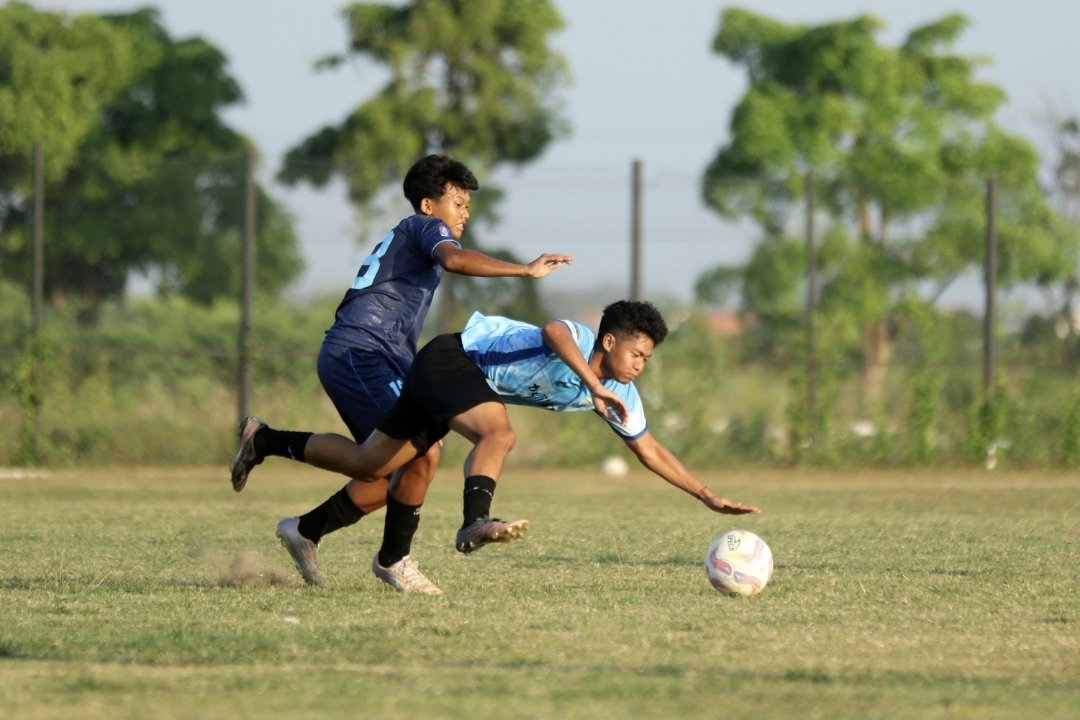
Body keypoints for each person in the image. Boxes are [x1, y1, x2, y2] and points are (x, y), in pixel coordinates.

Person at [236, 301, 760, 594]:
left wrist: (707, 495)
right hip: (450, 361)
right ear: (609, 342)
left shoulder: (622, 393)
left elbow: (650, 451)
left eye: (647, 359)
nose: (640, 365)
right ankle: (473, 522)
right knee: (499, 434)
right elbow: (553, 330)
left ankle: (268, 449)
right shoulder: (578, 340)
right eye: (637, 354)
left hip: (454, 386)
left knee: (370, 465)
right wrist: (591, 383)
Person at [230, 154, 572, 588]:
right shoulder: (426, 227)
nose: (464, 213)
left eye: (468, 205)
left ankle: (305, 526)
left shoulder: (417, 233)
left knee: (389, 470)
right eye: (458, 203)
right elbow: (453, 260)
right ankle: (393, 559)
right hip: (361, 350)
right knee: (420, 453)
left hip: (380, 355)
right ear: (428, 205)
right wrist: (524, 269)